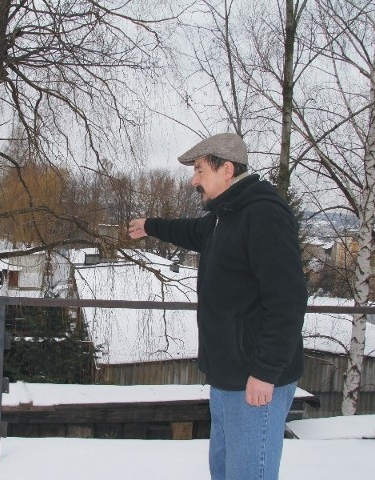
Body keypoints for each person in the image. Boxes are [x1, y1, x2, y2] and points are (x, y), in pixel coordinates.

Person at [128, 133, 307, 480]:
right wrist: (151, 225)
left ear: (226, 169)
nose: (194, 179)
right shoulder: (225, 215)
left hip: (255, 379)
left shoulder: (263, 215)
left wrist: (266, 371)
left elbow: (288, 300)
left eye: (199, 169)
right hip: (227, 377)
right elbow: (194, 231)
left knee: (248, 474)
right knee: (224, 471)